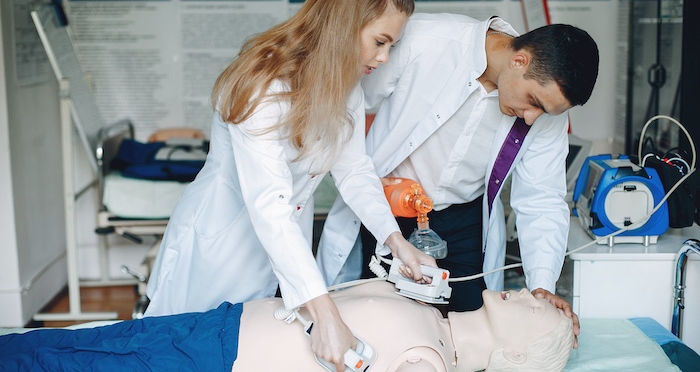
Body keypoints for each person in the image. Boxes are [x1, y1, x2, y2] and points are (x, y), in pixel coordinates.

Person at [144, 0, 436, 369]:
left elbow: (353, 170)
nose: (383, 58)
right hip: (223, 242)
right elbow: (269, 204)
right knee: (182, 351)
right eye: (380, 42)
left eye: (392, 46)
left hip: (282, 246)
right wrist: (325, 312)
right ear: (344, 22)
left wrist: (395, 240)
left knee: (247, 352)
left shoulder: (344, 82)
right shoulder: (262, 82)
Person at [317, 13, 599, 342]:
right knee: (375, 325)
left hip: (464, 222)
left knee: (469, 335)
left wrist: (541, 286)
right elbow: (351, 96)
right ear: (519, 61)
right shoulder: (428, 41)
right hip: (388, 209)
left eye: (544, 111)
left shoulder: (543, 113)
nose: (532, 116)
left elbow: (541, 199)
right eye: (533, 102)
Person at [0, 281, 574, 372]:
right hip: (218, 324)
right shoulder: (431, 311)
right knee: (66, 347)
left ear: (523, 348)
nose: (527, 291)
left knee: (62, 362)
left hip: (215, 360)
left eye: (535, 307)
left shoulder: (425, 362)